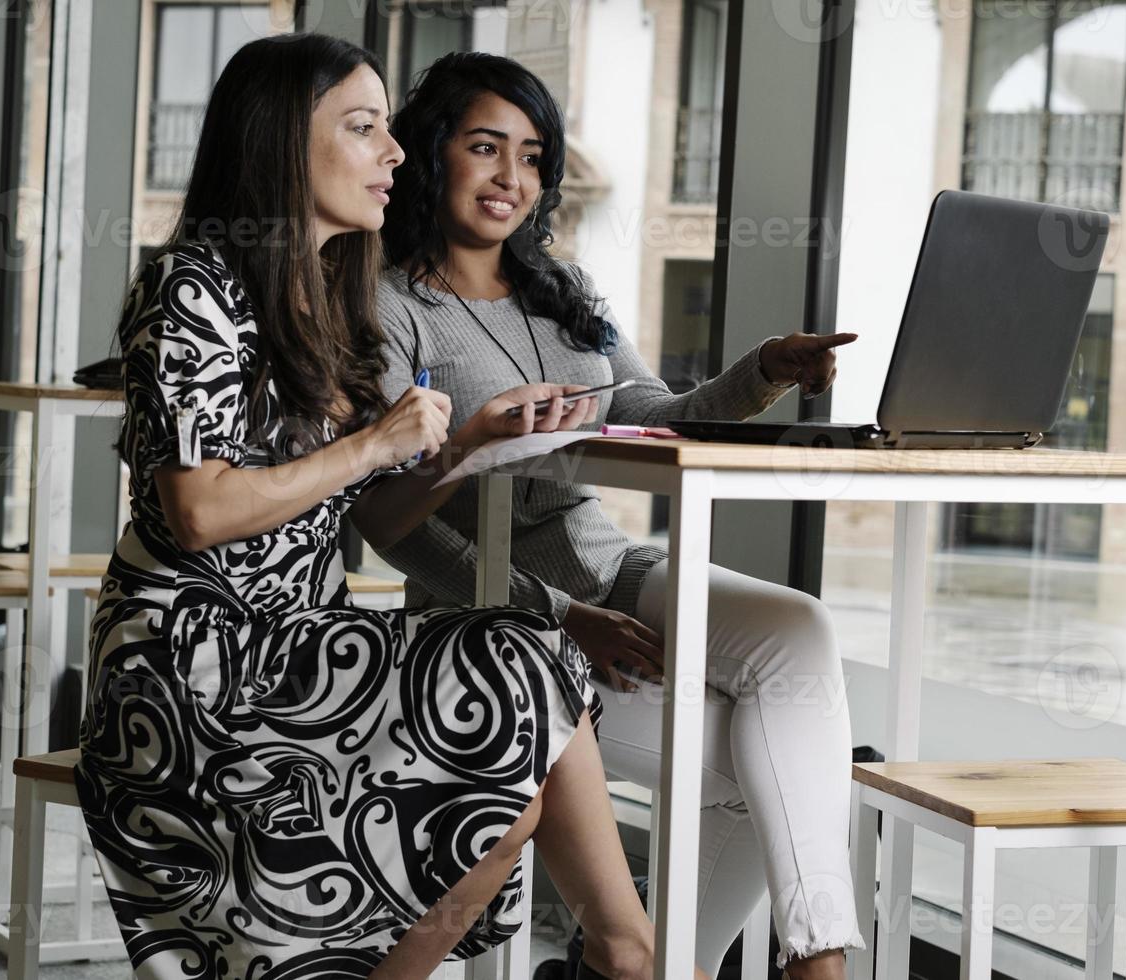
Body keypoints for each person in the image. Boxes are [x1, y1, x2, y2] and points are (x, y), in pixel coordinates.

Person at [75, 34, 704, 980]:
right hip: (191, 658)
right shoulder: (193, 286)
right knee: (520, 680)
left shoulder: (320, 295)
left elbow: (375, 508)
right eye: (364, 128)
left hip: (296, 635)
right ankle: (633, 956)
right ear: (285, 143)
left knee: (519, 695)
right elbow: (198, 510)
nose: (396, 152)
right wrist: (372, 441)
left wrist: (461, 451)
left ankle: (625, 954)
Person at [375, 52, 864, 980]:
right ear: (433, 154)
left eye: (530, 155)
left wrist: (765, 367)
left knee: (798, 629)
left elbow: (652, 408)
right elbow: (390, 521)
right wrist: (553, 616)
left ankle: (815, 957)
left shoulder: (562, 289)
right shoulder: (387, 304)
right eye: (485, 148)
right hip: (488, 625)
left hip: (614, 572)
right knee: (745, 783)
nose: (510, 178)